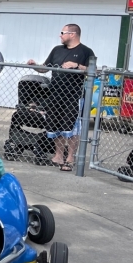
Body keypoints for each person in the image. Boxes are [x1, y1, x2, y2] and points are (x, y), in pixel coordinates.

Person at [28, 24, 96, 171]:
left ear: (72, 34)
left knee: (72, 128)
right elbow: (44, 68)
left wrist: (77, 66)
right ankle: (58, 155)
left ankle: (70, 158)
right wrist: (35, 65)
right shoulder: (57, 50)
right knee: (56, 126)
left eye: (62, 33)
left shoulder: (86, 51)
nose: (60, 35)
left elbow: (94, 70)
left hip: (73, 95)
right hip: (55, 94)